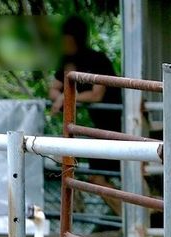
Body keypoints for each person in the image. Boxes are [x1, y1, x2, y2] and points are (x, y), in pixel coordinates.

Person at [49, 16, 123, 215]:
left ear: (73, 38)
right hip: (97, 127)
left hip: (118, 124)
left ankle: (137, 218)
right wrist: (64, 96)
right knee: (97, 177)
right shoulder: (66, 62)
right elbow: (53, 89)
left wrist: (67, 98)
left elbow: (97, 94)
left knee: (115, 175)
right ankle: (132, 219)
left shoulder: (97, 59)